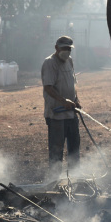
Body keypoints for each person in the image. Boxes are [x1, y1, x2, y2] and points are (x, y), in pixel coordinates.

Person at [42, 35, 81, 168]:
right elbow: (48, 87)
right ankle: (55, 180)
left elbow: (73, 83)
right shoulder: (49, 63)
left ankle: (75, 177)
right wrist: (63, 101)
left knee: (74, 148)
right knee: (56, 149)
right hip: (56, 115)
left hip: (71, 113)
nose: (67, 51)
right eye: (64, 48)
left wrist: (77, 100)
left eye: (69, 49)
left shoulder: (69, 60)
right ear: (56, 48)